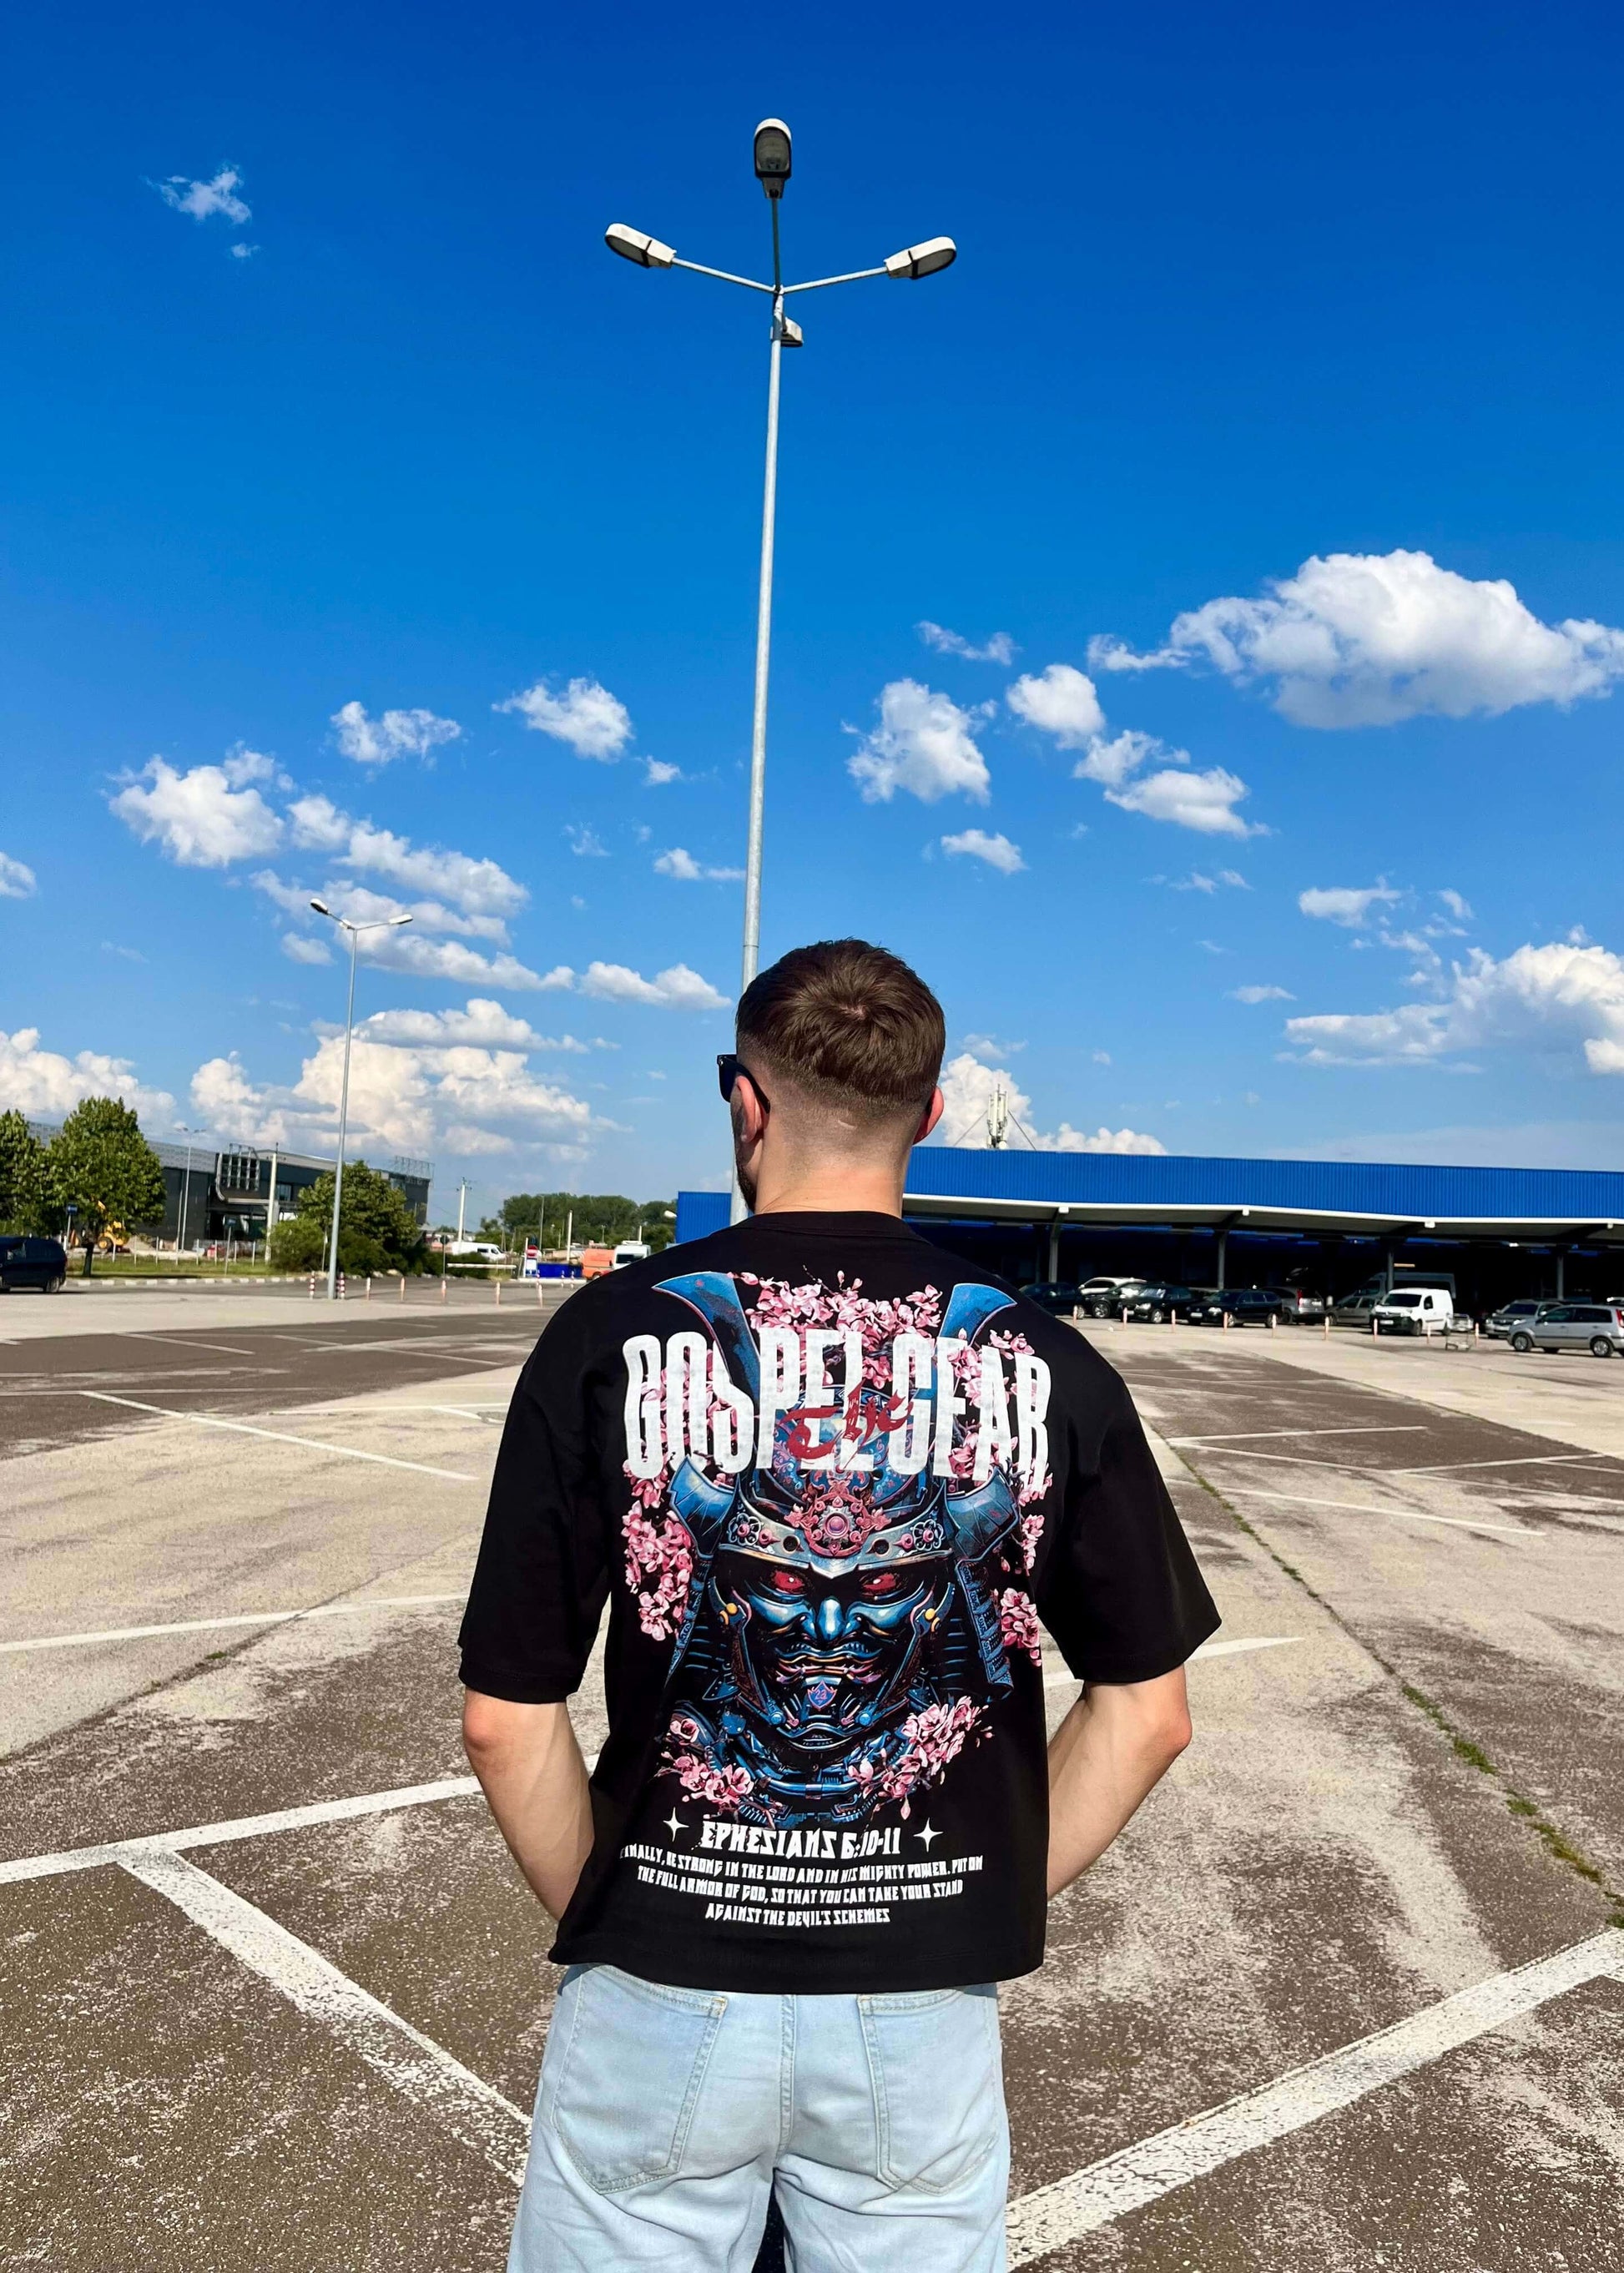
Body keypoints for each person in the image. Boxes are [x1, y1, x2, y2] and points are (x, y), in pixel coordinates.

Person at [460, 938, 1218, 2273]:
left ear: (742, 1101)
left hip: (659, 1980)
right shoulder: (1044, 1357)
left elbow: (503, 1718)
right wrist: (968, 1896)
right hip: (916, 2006)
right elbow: (1148, 1713)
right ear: (930, 1113)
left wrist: (625, 1911)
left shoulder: (605, 1335)